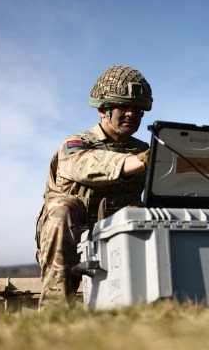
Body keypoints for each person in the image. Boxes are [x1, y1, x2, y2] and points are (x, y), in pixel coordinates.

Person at [35, 65, 152, 309]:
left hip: (118, 238)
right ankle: (55, 311)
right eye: (124, 107)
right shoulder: (76, 144)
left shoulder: (143, 149)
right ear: (103, 109)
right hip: (71, 236)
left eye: (138, 109)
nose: (132, 114)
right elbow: (86, 165)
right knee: (62, 208)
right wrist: (138, 162)